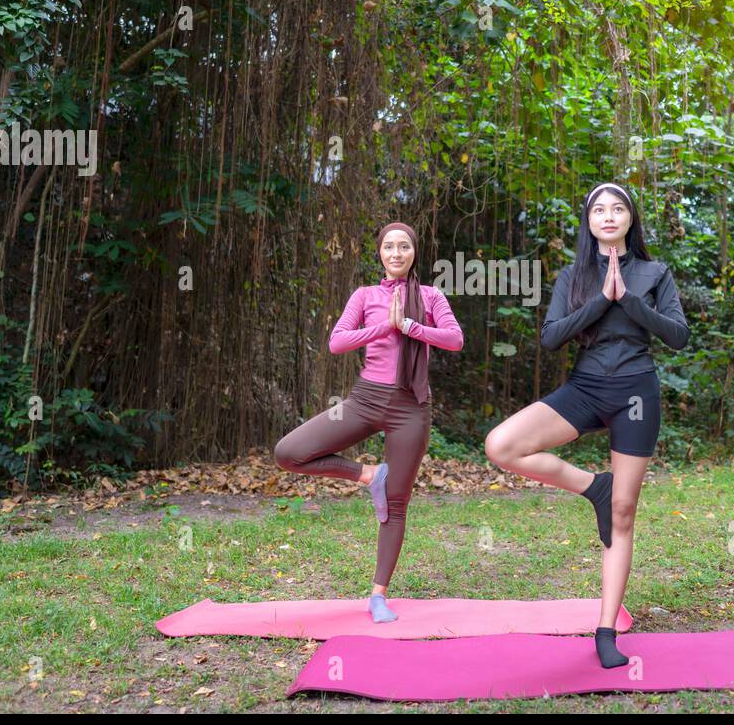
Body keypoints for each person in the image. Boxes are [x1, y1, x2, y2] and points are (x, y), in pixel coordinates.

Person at [484, 182, 689, 667]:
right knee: (502, 445)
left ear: (631, 219)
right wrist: (601, 299)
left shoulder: (655, 272)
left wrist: (631, 302)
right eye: (600, 210)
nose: (610, 216)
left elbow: (678, 335)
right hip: (586, 388)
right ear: (590, 221)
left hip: (637, 392)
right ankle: (592, 487)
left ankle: (605, 630)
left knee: (623, 513)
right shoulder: (572, 275)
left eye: (619, 209)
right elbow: (552, 336)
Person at [274, 222, 463, 623]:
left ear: (414, 252)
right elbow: (337, 341)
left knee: (396, 504)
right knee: (289, 452)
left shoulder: (430, 295)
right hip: (363, 400)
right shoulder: (365, 295)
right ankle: (369, 474)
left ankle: (378, 596)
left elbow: (454, 338)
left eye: (404, 247)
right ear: (379, 252)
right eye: (389, 247)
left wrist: (411, 327)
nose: (396, 253)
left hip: (411, 407)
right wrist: (385, 327)